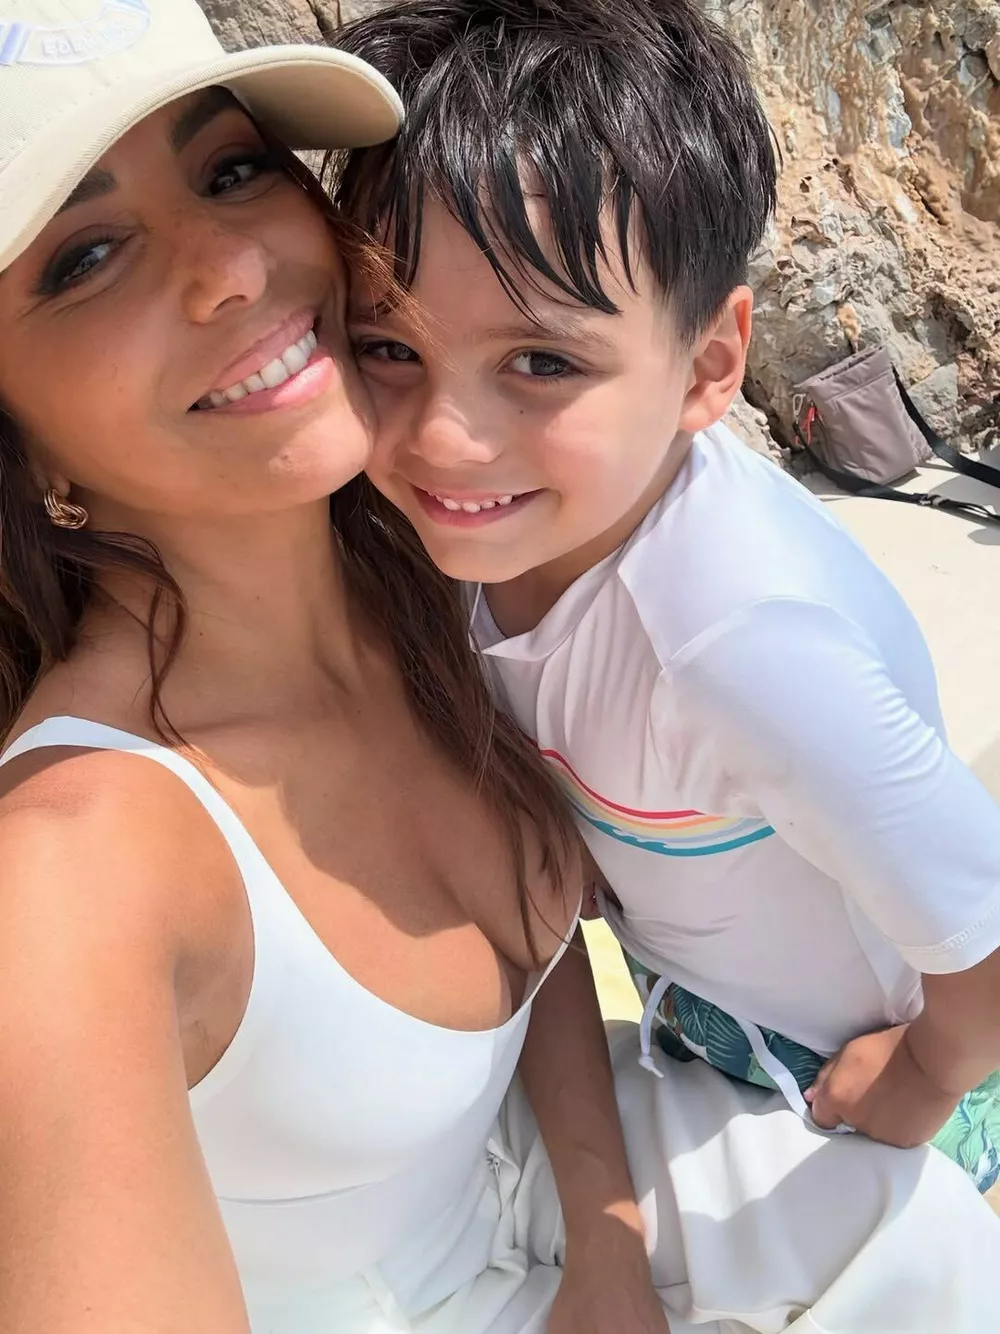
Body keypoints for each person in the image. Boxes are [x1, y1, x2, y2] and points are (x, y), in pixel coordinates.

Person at [2, 4, 998, 1334]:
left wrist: (604, 1234)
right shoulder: (70, 880)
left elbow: (535, 966)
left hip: (559, 1197)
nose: (233, 263)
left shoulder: (433, 573)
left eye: (232, 169)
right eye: (85, 256)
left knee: (929, 1238)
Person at [334, 0, 1000, 1201]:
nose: (441, 437)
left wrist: (923, 1077)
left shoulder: (741, 646)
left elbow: (987, 929)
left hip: (861, 1046)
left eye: (541, 361)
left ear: (707, 366)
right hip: (699, 991)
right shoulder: (480, 540)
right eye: (389, 346)